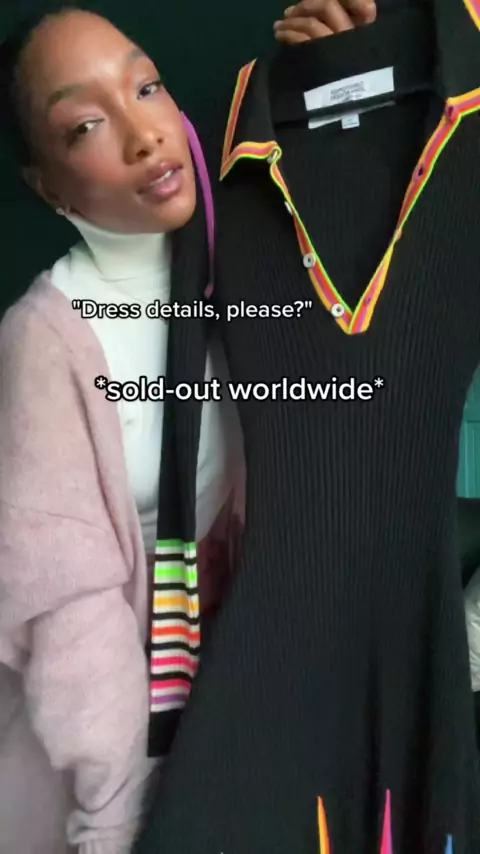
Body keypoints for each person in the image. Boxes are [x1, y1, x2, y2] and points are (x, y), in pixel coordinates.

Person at [133, 0, 480, 851]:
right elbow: (179, 422)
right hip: (270, 639)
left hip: (418, 644)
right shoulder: (217, 151)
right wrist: (168, 679)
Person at [0, 3, 335, 853]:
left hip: (227, 714)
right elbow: (73, 632)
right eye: (86, 125)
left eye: (146, 87)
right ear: (49, 186)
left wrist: (342, 64)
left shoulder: (238, 269)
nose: (144, 135)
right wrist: (116, 821)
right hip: (101, 768)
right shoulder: (47, 340)